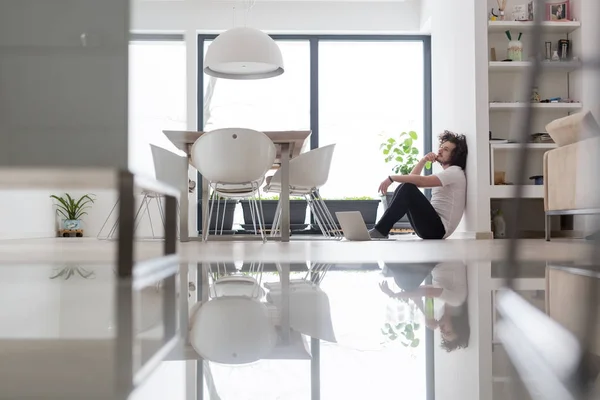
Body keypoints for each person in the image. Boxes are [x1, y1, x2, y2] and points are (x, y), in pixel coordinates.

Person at [370, 130, 468, 240]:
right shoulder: (447, 173)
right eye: (441, 147)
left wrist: (391, 178)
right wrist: (423, 160)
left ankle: (380, 230)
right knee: (407, 187)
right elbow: (411, 180)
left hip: (438, 229)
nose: (440, 150)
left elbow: (420, 181)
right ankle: (381, 230)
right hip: (431, 228)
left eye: (446, 149)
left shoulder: (454, 172)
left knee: (408, 188)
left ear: (454, 155)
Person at [379, 262, 469, 352]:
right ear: (457, 326)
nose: (442, 330)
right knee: (406, 284)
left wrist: (427, 315)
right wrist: (394, 295)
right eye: (448, 332)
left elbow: (419, 295)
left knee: (405, 282)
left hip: (435, 262)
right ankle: (388, 260)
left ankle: (389, 261)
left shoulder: (443, 304)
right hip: (443, 258)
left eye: (442, 334)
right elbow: (427, 291)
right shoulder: (457, 300)